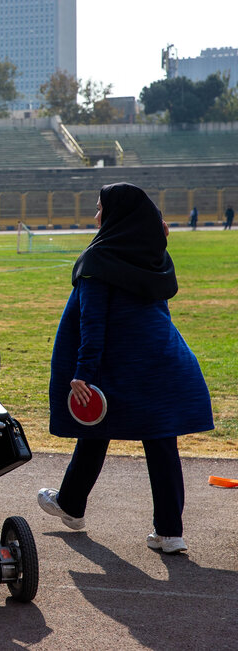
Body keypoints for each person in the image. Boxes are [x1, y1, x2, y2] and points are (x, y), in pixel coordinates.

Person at [38, 183, 214, 554]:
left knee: (97, 425)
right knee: (159, 439)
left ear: (115, 215)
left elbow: (92, 323)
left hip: (123, 362)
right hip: (163, 359)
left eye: (100, 209)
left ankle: (71, 504)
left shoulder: (99, 259)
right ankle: (169, 532)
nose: (96, 216)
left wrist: (82, 372)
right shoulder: (152, 256)